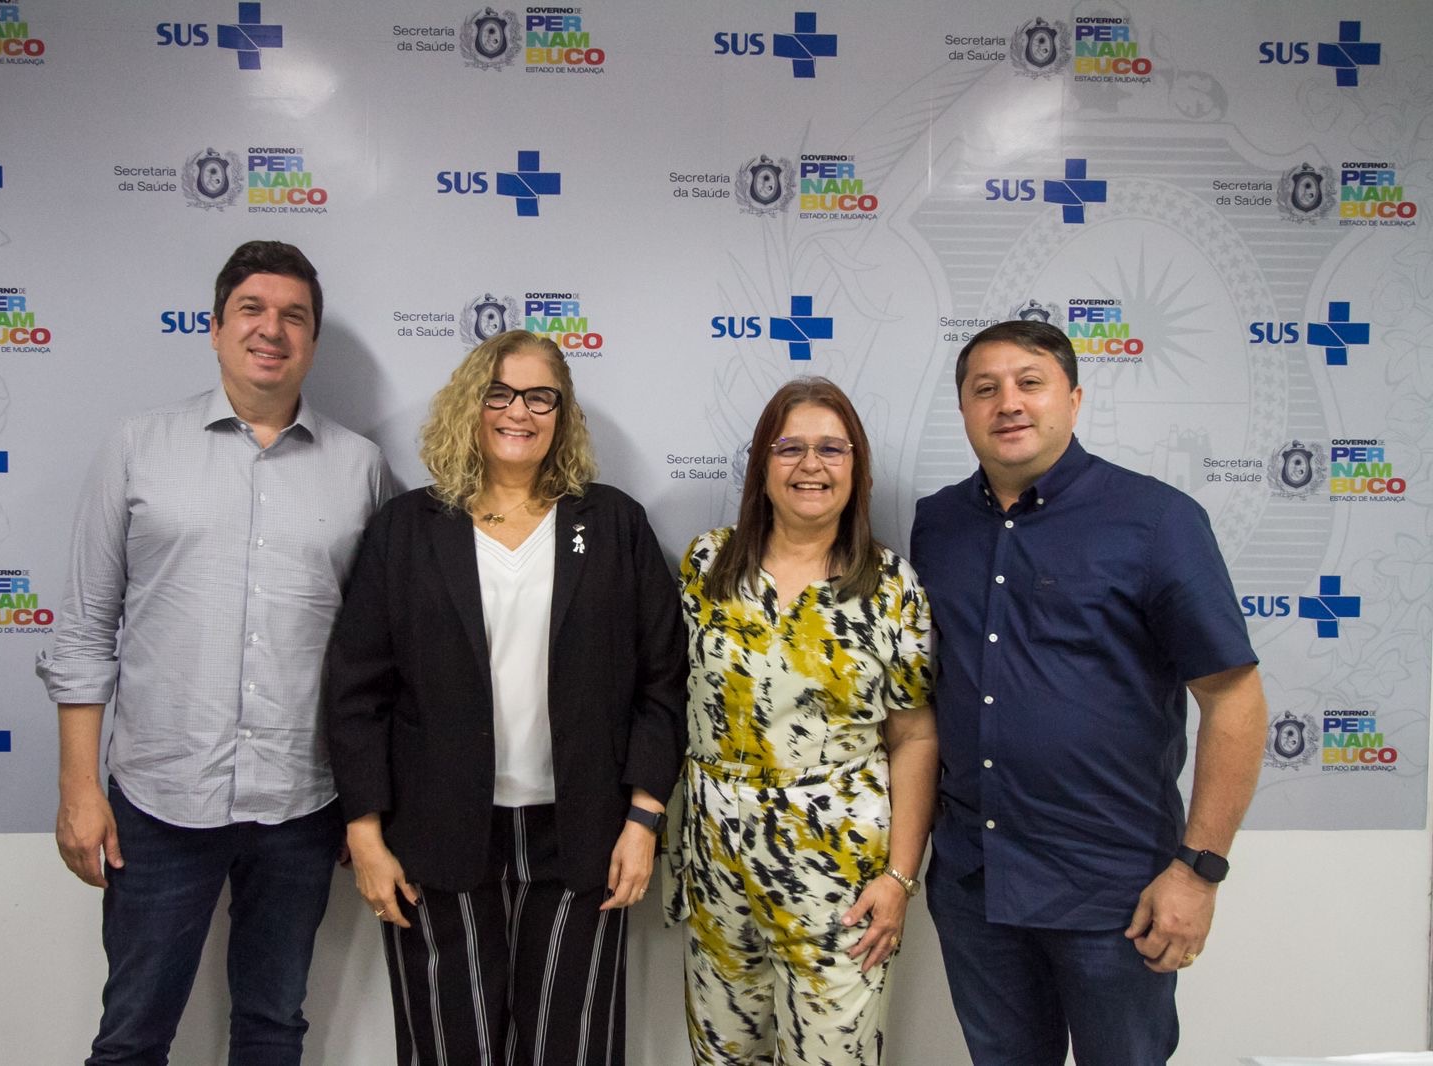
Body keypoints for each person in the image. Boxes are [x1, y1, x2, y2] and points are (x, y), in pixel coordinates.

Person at [37, 240, 390, 1065]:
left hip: (302, 806)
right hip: (158, 804)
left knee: (272, 1029)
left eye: (294, 316)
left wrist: (366, 801)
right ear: (215, 326)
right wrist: (80, 788)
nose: (272, 330)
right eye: (252, 310)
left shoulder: (361, 470)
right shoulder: (138, 447)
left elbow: (375, 659)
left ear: (312, 337)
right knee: (131, 1036)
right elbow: (86, 630)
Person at [909, 320, 1268, 1065]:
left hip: (1115, 894)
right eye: (985, 389)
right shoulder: (937, 524)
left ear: (1073, 400)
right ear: (965, 411)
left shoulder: (1157, 520)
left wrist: (1199, 871)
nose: (1008, 402)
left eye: (1029, 383)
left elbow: (1234, 699)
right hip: (977, 884)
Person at [325, 329, 685, 1065]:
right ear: (471, 404)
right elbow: (356, 690)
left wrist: (644, 819)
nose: (519, 411)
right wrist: (363, 831)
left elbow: (663, 681)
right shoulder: (408, 530)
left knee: (573, 1051)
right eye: (500, 393)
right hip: (434, 838)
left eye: (539, 396)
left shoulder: (612, 524)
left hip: (584, 839)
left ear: (562, 413)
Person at [669, 377, 937, 1065]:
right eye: (789, 448)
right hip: (716, 866)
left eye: (831, 449)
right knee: (723, 1056)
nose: (810, 465)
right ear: (762, 465)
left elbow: (914, 736)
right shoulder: (705, 564)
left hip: (840, 875)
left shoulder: (890, 585)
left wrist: (900, 878)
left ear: (857, 468)